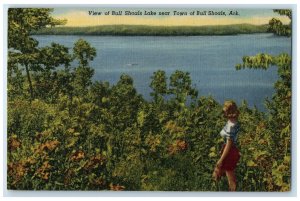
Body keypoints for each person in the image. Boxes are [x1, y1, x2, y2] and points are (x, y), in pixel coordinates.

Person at [213, 100, 241, 191]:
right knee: (218, 170)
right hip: (231, 149)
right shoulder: (234, 121)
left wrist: (221, 159)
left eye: (225, 111)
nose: (223, 112)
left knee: (229, 175)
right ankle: (216, 188)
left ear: (229, 112)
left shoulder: (231, 126)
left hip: (229, 151)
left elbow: (229, 144)